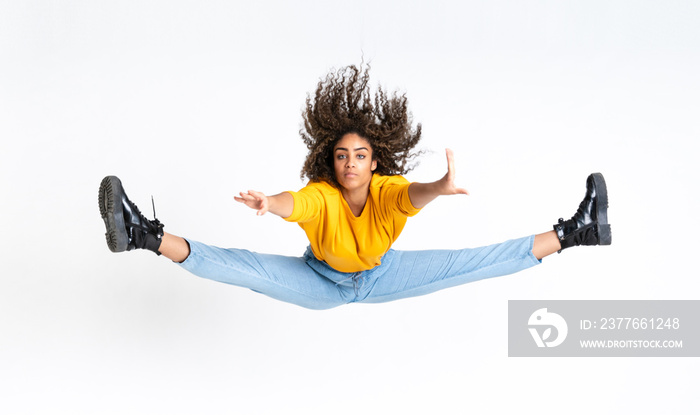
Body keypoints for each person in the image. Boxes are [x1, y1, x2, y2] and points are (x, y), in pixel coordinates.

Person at [98, 64, 611, 310]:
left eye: (360, 156)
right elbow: (294, 203)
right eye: (341, 156)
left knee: (473, 263)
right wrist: (268, 203)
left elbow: (411, 196)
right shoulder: (322, 194)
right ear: (330, 159)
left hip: (383, 276)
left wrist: (439, 185)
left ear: (375, 160)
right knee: (242, 269)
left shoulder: (388, 190)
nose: (350, 164)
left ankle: (579, 232)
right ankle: (142, 233)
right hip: (320, 282)